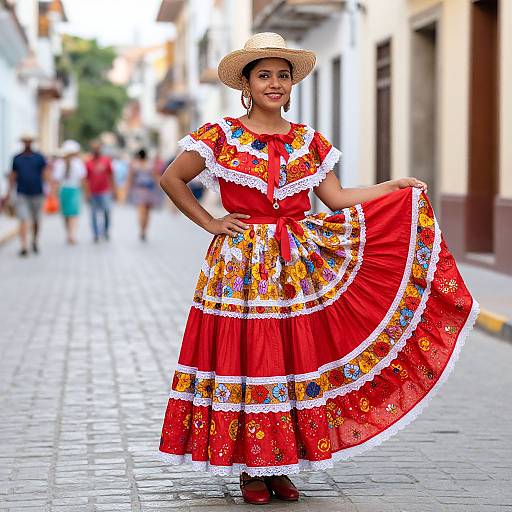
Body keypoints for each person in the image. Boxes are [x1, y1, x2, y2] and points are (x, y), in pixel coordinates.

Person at [157, 33, 478, 505]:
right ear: (245, 84)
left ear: (291, 84)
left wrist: (393, 187)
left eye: (282, 76)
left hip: (293, 267)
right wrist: (211, 222)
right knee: (247, 359)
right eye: (264, 75)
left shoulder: (308, 142)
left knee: (289, 360)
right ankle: (251, 470)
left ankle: (282, 464)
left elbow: (337, 199)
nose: (275, 84)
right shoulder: (219, 136)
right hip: (240, 265)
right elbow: (172, 177)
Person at [6, 134, 47, 257]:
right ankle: (24, 245)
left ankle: (34, 240)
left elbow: (45, 174)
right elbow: (13, 176)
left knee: (36, 220)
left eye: (29, 141)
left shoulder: (39, 157)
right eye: (25, 141)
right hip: (22, 193)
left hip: (37, 192)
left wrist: (50, 191)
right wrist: (8, 193)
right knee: (23, 219)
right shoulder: (17, 158)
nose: (27, 143)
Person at [52, 140, 86, 245]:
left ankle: (70, 233)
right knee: (72, 214)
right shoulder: (77, 163)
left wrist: (54, 192)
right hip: (73, 189)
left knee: (67, 214)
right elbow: (82, 178)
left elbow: (56, 180)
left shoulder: (59, 163)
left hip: (65, 190)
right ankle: (71, 234)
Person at [127, 148, 161, 241]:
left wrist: (128, 190)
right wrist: (160, 187)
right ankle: (145, 229)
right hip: (150, 190)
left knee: (141, 211)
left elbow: (130, 178)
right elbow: (155, 177)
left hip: (139, 190)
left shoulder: (134, 165)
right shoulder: (150, 165)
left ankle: (142, 229)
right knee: (147, 212)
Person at [85, 140, 115, 242]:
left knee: (106, 211)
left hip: (105, 191)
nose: (96, 150)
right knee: (93, 214)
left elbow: (111, 175)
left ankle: (105, 231)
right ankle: (96, 234)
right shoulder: (88, 162)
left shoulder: (106, 161)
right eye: (94, 148)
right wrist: (87, 192)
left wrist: (113, 189)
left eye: (97, 148)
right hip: (93, 192)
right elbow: (86, 179)